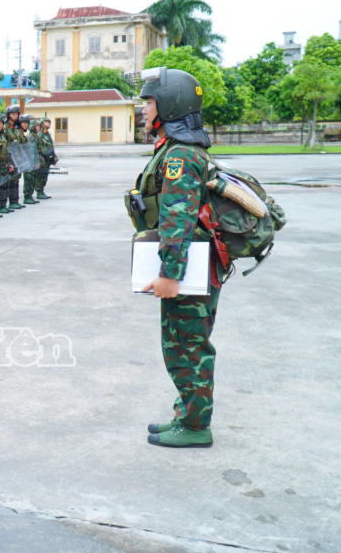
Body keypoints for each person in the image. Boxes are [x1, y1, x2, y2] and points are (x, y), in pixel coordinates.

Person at [132, 67, 220, 449]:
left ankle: (196, 426)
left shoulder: (181, 156)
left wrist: (169, 273)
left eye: (149, 102)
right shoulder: (178, 148)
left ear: (169, 104)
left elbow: (177, 219)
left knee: (188, 349)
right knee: (180, 344)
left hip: (186, 268)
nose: (144, 109)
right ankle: (186, 415)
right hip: (192, 265)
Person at [3, 105, 26, 210]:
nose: (15, 116)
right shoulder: (4, 127)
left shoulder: (15, 128)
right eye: (12, 114)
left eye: (16, 114)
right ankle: (8, 202)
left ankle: (14, 201)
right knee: (10, 181)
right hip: (9, 156)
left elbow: (21, 141)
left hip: (17, 156)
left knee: (16, 180)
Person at [18, 114, 40, 205]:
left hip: (33, 162)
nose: (39, 128)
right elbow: (30, 151)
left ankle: (30, 195)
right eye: (38, 126)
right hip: (30, 162)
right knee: (29, 180)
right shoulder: (30, 137)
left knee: (32, 179)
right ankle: (27, 196)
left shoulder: (34, 137)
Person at [35, 118, 55, 200]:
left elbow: (50, 146)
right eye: (46, 122)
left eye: (49, 122)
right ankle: (39, 191)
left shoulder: (47, 134)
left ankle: (41, 190)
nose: (49, 123)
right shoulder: (40, 134)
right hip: (42, 158)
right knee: (40, 176)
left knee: (45, 176)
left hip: (48, 157)